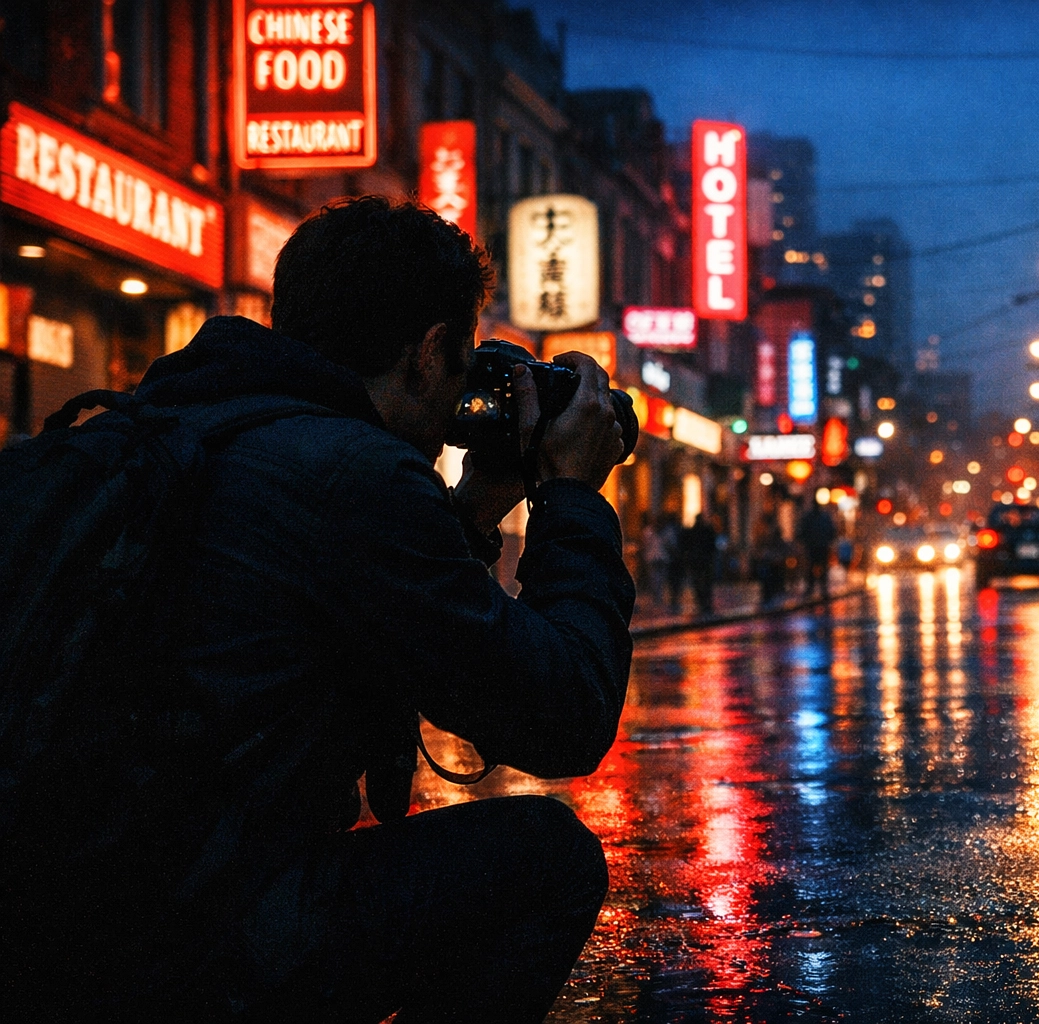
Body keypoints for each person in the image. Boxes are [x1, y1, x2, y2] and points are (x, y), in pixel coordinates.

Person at [0, 197, 633, 1022]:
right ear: (430, 351)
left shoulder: (189, 422)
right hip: (184, 946)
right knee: (548, 860)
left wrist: (471, 512)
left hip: (54, 923)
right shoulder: (355, 473)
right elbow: (561, 716)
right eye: (460, 362)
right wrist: (572, 496)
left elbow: (338, 597)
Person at [679, 512, 719, 616]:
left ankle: (701, 602)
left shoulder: (691, 531)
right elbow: (712, 545)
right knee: (706, 582)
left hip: (695, 561)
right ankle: (706, 603)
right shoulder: (707, 530)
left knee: (697, 582)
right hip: (705, 560)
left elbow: (684, 546)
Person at [797, 500, 837, 598]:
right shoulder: (823, 517)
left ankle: (814, 589)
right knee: (818, 568)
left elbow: (802, 530)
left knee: (814, 567)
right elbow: (832, 531)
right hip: (819, 546)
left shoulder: (812, 517)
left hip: (816, 546)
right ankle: (819, 589)